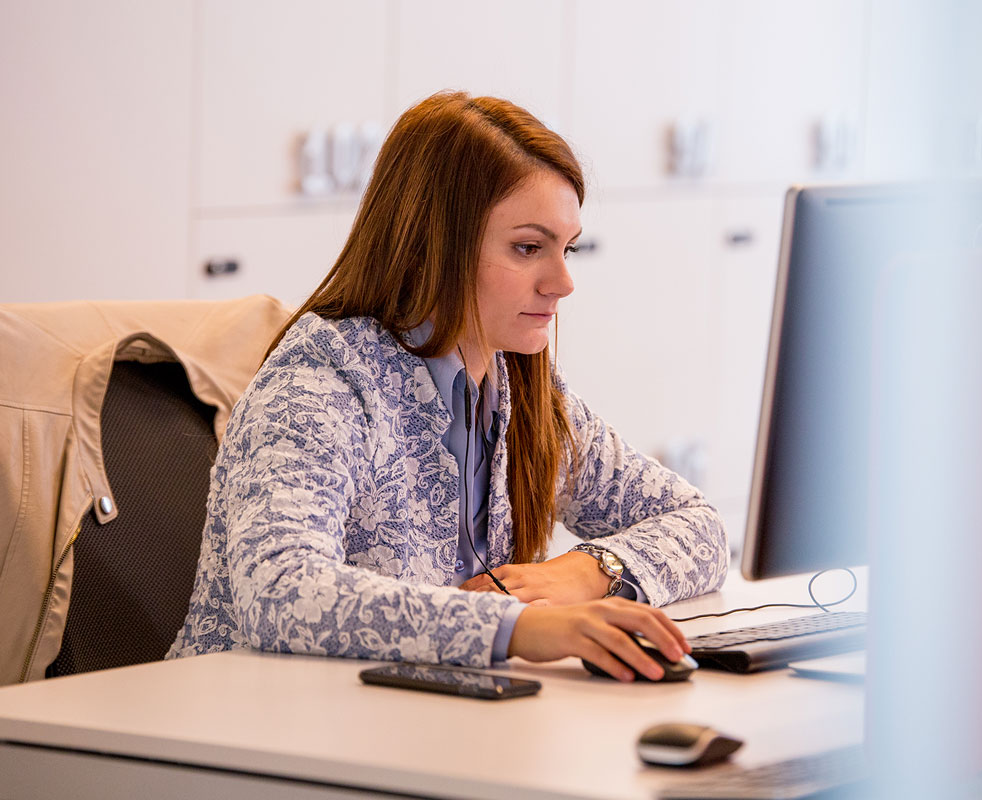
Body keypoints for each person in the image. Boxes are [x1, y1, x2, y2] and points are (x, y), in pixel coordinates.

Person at [167, 91, 728, 682]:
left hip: (412, 727)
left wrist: (590, 570)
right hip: (245, 731)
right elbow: (280, 592)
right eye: (528, 248)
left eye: (568, 249)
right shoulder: (319, 382)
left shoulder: (522, 384)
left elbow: (700, 524)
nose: (562, 283)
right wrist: (517, 629)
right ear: (435, 244)